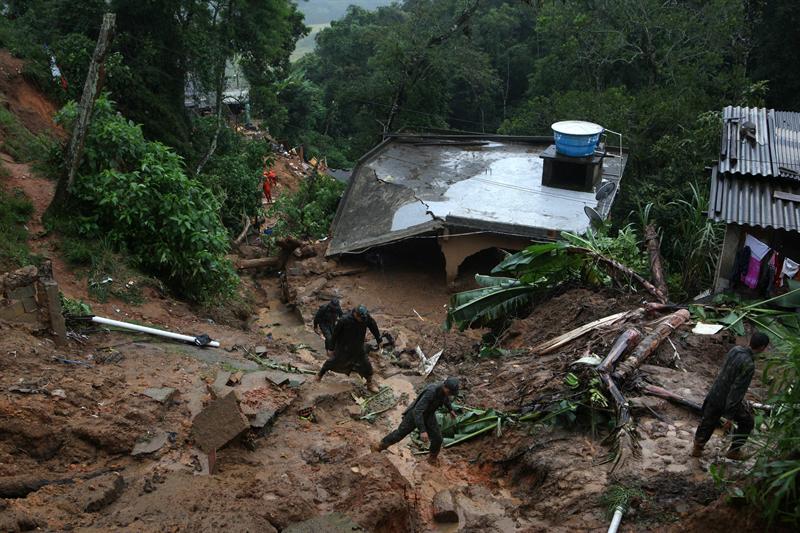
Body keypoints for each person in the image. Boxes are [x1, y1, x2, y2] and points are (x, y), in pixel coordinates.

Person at [691, 332, 770, 460]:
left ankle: (697, 448)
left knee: (708, 421)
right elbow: (737, 390)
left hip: (715, 392)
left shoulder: (735, 350)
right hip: (726, 400)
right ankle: (734, 451)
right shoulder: (749, 364)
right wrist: (729, 416)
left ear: (750, 341)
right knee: (747, 422)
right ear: (762, 347)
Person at [372, 377, 459, 465]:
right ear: (445, 387)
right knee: (399, 434)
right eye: (449, 392)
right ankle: (380, 446)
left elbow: (445, 399)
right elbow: (418, 411)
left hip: (429, 415)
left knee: (438, 438)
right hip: (414, 415)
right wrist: (423, 430)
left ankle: (432, 458)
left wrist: (450, 409)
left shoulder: (445, 392)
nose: (450, 394)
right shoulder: (431, 392)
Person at [316, 305, 381, 392]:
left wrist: (379, 339)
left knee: (367, 366)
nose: (362, 320)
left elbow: (373, 326)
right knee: (332, 361)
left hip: (358, 347)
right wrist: (331, 348)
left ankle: (369, 383)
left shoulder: (365, 318)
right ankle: (319, 375)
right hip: (344, 347)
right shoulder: (344, 320)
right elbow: (335, 334)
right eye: (360, 318)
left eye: (363, 319)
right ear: (355, 314)